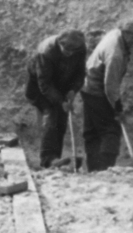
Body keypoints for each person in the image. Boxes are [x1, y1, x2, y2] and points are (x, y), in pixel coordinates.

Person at [80, 21, 133, 171]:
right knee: (110, 129)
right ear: (128, 35)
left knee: (92, 130)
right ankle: (105, 169)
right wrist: (117, 107)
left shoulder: (116, 34)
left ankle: (94, 168)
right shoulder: (115, 54)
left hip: (87, 84)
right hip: (96, 89)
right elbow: (110, 86)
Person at [24, 29, 87, 168]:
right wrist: (60, 101)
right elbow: (44, 84)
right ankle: (47, 159)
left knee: (62, 119)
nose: (69, 53)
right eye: (66, 49)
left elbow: (80, 73)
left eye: (73, 51)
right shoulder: (46, 51)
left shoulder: (80, 48)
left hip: (62, 86)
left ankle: (55, 159)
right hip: (39, 88)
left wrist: (73, 90)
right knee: (52, 114)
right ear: (59, 42)